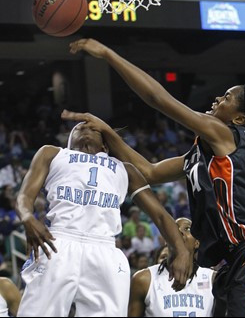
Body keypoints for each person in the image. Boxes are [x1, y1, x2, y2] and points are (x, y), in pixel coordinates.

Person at [64, 37, 245, 316]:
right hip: (234, 260)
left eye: (226, 98)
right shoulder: (200, 154)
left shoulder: (225, 134)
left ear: (238, 119)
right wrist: (108, 132)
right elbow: (148, 171)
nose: (217, 99)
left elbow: (158, 99)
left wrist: (108, 54)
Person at [16, 122, 191, 317]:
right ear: (69, 141)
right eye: (80, 128)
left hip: (105, 248)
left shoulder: (125, 169)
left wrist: (181, 250)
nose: (85, 129)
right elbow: (24, 196)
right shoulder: (53, 154)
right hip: (59, 242)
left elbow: (159, 214)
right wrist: (27, 217)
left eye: (93, 129)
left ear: (105, 145)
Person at [128, 217, 215, 317]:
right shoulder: (144, 279)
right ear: (166, 240)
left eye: (187, 229)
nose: (180, 232)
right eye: (175, 229)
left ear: (197, 243)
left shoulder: (212, 279)